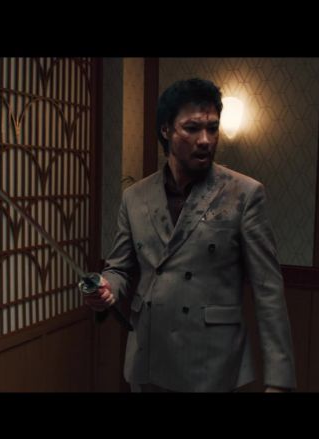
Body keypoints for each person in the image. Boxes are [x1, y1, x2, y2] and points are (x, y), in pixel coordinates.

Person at [84, 78, 295, 392]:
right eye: (192, 128)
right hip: (149, 356)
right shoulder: (136, 197)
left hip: (211, 361)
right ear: (166, 130)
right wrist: (105, 288)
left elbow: (269, 291)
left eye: (212, 128)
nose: (205, 140)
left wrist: (279, 382)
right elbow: (119, 268)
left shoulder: (244, 193)